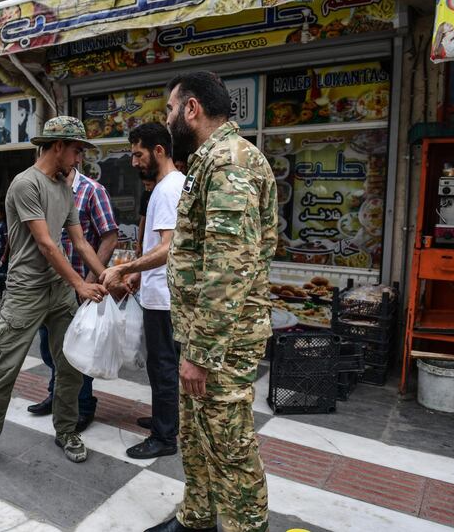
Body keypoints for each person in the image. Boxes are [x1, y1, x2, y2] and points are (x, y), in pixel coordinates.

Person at [143, 72, 277, 532]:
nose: (167, 119)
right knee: (197, 437)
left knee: (229, 445)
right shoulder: (209, 160)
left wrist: (199, 354)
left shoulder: (230, 164)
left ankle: (245, 526)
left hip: (223, 342)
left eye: (169, 109)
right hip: (203, 335)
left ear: (192, 109)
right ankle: (196, 519)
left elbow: (228, 267)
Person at [0, 116, 109, 477]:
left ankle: (66, 430)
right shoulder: (25, 184)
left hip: (57, 291)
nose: (78, 159)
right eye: (76, 150)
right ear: (58, 146)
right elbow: (45, 243)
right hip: (25, 291)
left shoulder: (64, 188)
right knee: (5, 371)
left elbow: (80, 241)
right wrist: (80, 284)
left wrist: (107, 277)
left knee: (70, 364)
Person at [100, 122, 185, 459]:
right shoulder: (170, 186)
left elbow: (168, 248)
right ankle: (165, 419)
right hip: (158, 290)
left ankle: (164, 437)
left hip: (163, 299)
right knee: (162, 364)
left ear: (159, 151)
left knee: (162, 365)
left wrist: (125, 268)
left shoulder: (166, 190)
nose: (133, 162)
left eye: (138, 154)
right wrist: (139, 275)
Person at [26, 160, 118, 432]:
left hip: (80, 286)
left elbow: (109, 237)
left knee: (78, 350)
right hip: (49, 287)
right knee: (50, 349)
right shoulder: (43, 190)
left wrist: (89, 282)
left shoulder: (92, 191)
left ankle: (84, 406)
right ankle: (58, 396)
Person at [136, 175, 156, 257]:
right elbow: (143, 220)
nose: (146, 188)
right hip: (148, 240)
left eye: (148, 185)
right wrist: (139, 243)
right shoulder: (146, 195)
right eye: (144, 185)